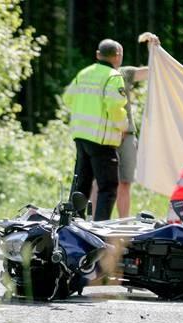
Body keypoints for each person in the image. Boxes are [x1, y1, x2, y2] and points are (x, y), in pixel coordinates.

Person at [90, 32, 160, 218]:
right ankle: (93, 223)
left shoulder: (125, 73)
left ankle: (123, 224)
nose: (118, 56)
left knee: (125, 182)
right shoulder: (93, 75)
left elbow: (152, 71)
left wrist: (154, 50)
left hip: (126, 136)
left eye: (120, 52)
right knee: (99, 181)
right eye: (116, 53)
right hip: (103, 135)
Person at [63, 39, 128, 221]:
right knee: (107, 187)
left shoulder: (83, 73)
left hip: (81, 136)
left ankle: (73, 223)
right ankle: (100, 229)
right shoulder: (113, 77)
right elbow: (115, 106)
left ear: (98, 55)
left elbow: (68, 98)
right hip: (102, 140)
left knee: (81, 184)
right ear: (117, 56)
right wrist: (123, 127)